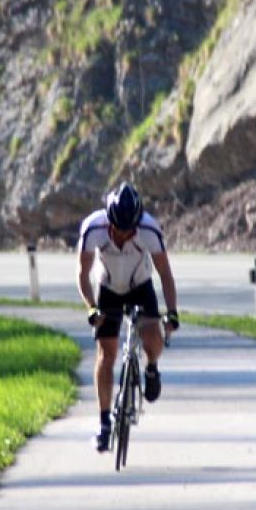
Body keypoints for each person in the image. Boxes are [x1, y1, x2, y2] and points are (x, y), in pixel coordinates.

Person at [77, 182, 179, 453]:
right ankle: (103, 422)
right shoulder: (93, 229)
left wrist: (172, 312)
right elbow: (83, 275)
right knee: (106, 353)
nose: (124, 234)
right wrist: (91, 308)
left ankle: (152, 367)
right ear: (109, 220)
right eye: (119, 229)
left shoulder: (149, 229)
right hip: (107, 288)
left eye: (130, 229)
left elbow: (165, 275)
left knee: (151, 336)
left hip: (139, 286)